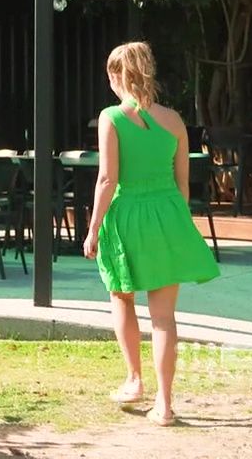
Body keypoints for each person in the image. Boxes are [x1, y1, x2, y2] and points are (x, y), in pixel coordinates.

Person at [83, 41, 220, 427]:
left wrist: (93, 228)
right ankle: (165, 403)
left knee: (121, 296)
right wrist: (175, 221)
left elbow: (107, 178)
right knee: (163, 317)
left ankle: (134, 380)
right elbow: (183, 184)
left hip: (126, 214)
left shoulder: (111, 117)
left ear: (117, 75)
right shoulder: (175, 120)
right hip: (167, 214)